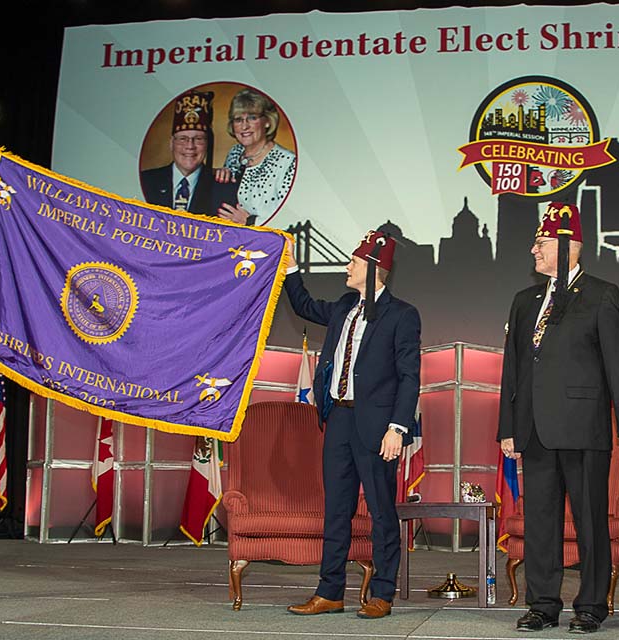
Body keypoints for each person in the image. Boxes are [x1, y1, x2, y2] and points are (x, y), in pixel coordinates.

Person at [496, 202, 619, 634]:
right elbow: (514, 368)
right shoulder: (524, 302)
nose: (533, 251)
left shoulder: (601, 293)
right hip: (536, 429)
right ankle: (542, 604)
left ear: (568, 247)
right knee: (540, 521)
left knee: (590, 521)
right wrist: (509, 427)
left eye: (540, 243)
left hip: (584, 427)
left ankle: (591, 606)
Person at [284, 231, 420, 619]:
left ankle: (382, 593)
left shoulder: (403, 315)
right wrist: (291, 266)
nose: (348, 266)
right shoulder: (345, 305)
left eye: (355, 262)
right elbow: (304, 304)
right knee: (337, 510)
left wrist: (398, 428)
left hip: (378, 426)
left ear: (375, 268)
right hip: (339, 417)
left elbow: (410, 376)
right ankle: (330, 591)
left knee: (380, 511)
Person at [139, 89, 240, 222]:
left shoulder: (225, 188)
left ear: (207, 144)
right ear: (171, 143)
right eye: (182, 138)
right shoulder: (146, 181)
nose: (190, 146)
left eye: (198, 139)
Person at [214, 88, 296, 225]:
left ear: (268, 121)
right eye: (238, 120)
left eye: (252, 118)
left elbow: (291, 217)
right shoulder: (234, 153)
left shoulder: (287, 162)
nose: (244, 126)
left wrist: (249, 221)